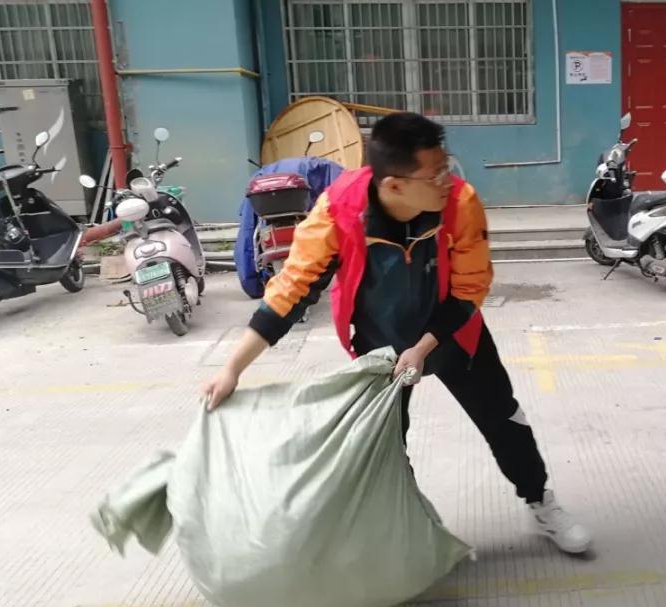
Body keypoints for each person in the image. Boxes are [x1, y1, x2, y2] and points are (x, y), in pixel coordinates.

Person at [201, 112, 593, 555]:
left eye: (447, 166)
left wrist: (424, 347)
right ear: (394, 186)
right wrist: (232, 369)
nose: (447, 181)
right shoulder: (338, 210)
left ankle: (540, 500)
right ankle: (413, 525)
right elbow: (291, 290)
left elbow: (470, 288)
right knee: (386, 444)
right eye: (435, 173)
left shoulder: (459, 203)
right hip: (381, 345)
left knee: (504, 419)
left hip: (452, 334)